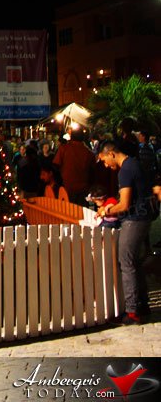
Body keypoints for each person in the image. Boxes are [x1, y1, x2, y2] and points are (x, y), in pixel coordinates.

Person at [97, 140, 155, 324]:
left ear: (111, 153)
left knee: (126, 262)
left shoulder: (125, 170)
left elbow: (124, 204)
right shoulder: (134, 164)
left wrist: (106, 211)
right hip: (143, 217)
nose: (106, 165)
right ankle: (142, 306)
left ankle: (132, 311)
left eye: (104, 160)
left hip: (134, 220)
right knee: (135, 262)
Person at [52, 128, 96, 205]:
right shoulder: (89, 153)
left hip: (67, 187)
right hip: (83, 189)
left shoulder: (63, 148)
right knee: (81, 211)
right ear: (83, 138)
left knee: (67, 210)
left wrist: (60, 182)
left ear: (71, 136)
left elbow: (55, 165)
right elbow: (92, 171)